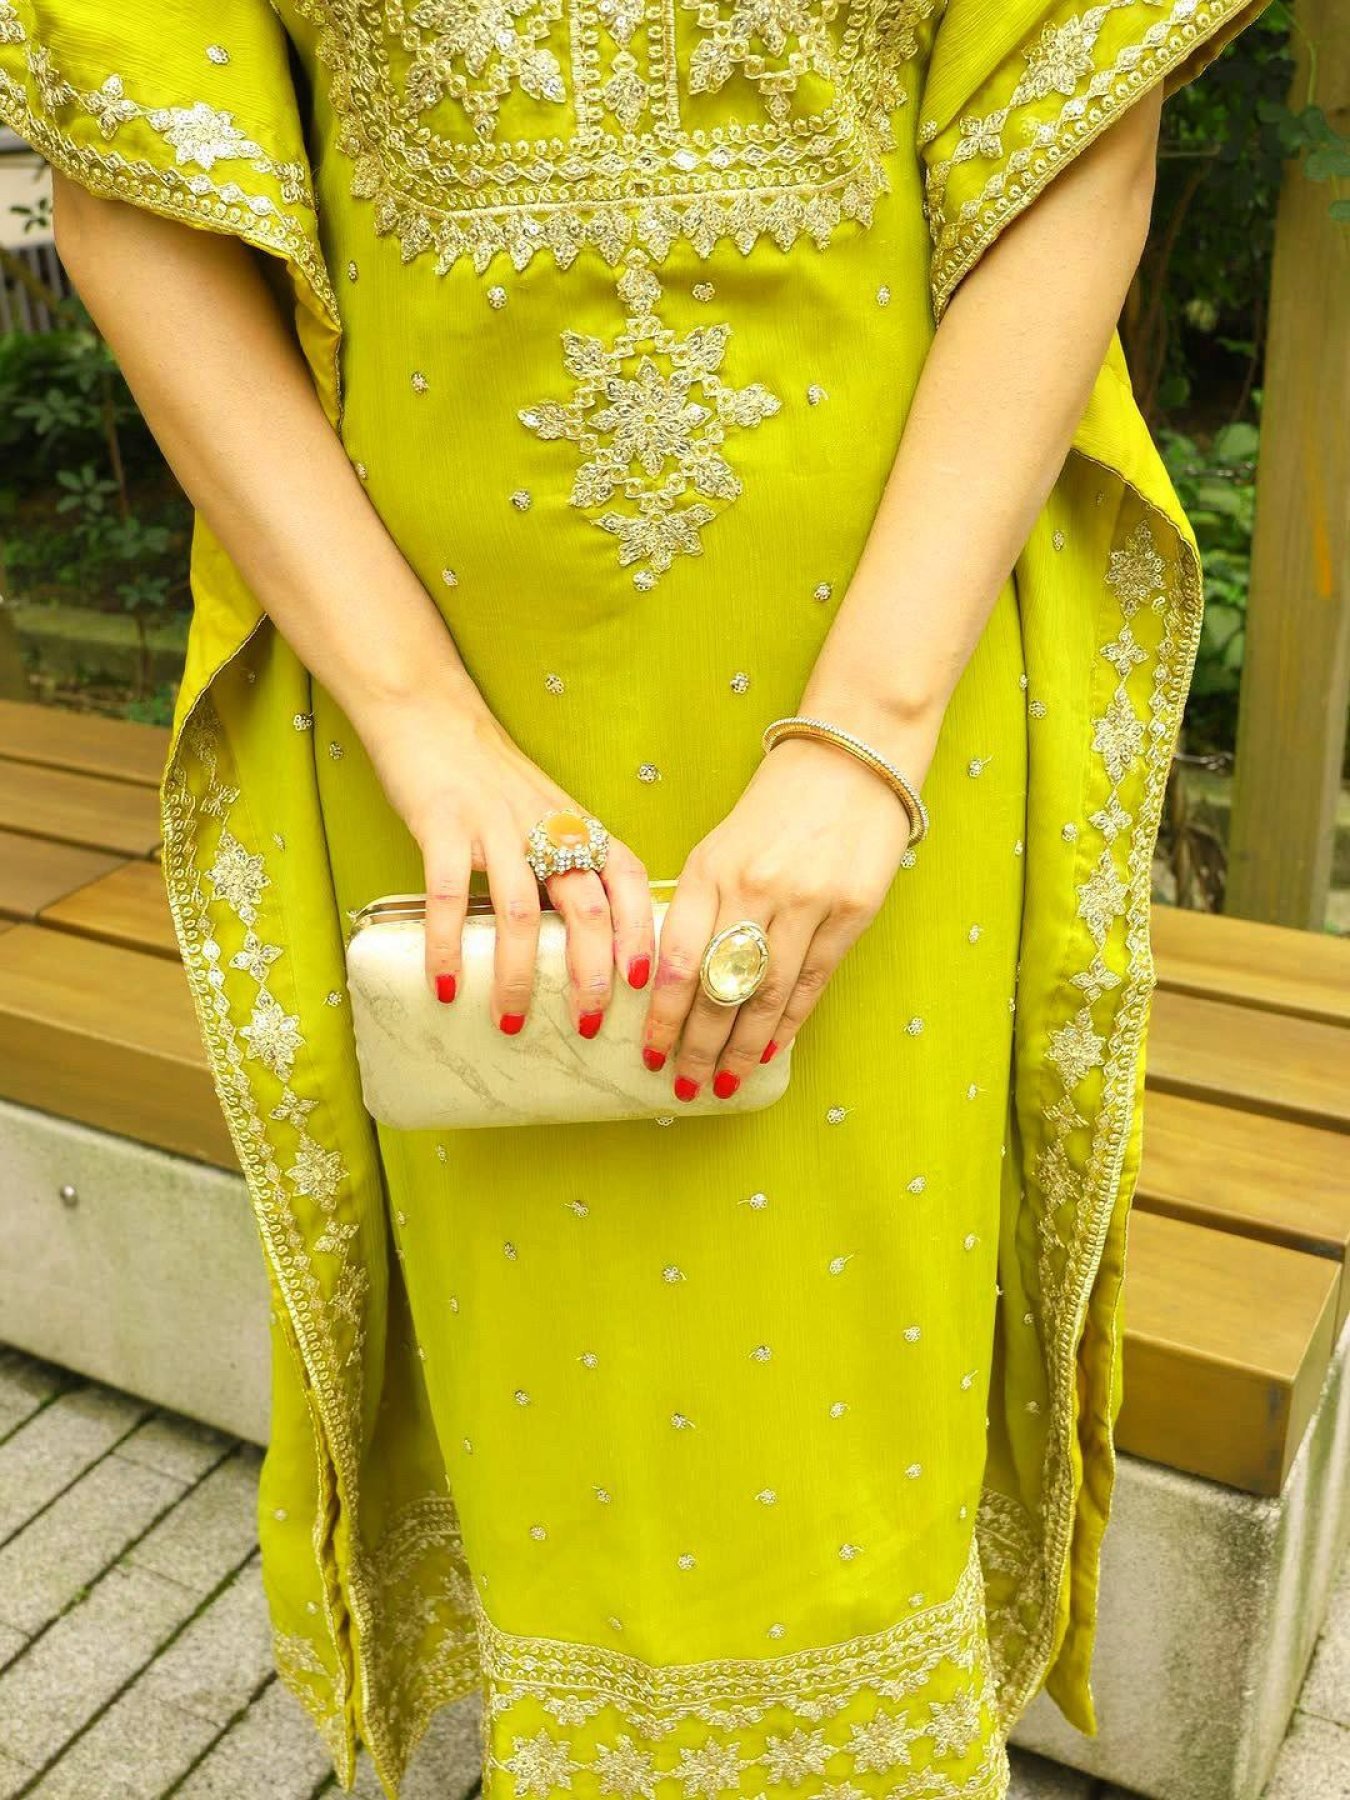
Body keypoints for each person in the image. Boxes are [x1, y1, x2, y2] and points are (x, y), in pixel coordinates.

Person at [0, 1, 1270, 1794]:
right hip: (435, 714)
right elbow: (131, 187)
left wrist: (866, 737)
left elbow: (1075, 129)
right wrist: (420, 720)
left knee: (846, 1434)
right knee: (550, 1427)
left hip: (888, 695)